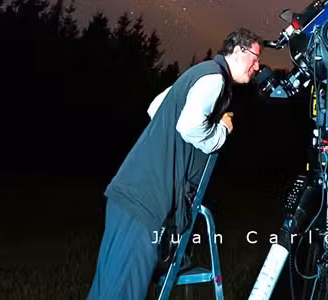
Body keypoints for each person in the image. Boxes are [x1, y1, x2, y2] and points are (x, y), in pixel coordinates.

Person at [86, 27, 262, 300]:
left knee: (108, 289)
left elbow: (156, 106)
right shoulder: (214, 78)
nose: (258, 66)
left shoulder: (198, 72)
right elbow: (190, 126)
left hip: (128, 195)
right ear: (239, 52)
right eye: (255, 57)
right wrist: (222, 131)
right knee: (124, 292)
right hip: (146, 202)